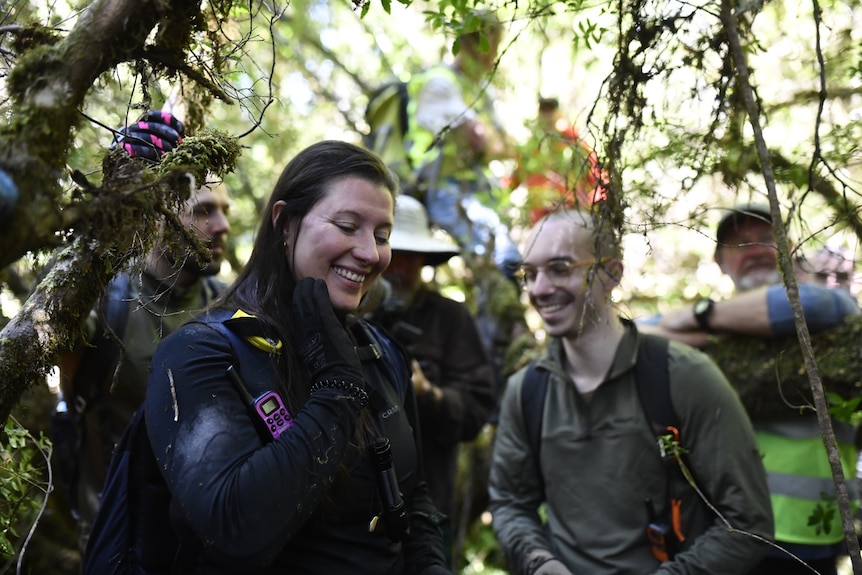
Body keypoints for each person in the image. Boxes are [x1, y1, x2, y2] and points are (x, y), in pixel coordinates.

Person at [129, 140, 451, 573]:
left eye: (381, 236)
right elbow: (233, 529)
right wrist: (337, 389)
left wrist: (431, 566)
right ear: (285, 223)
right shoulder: (200, 353)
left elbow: (412, 490)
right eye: (347, 225)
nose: (371, 254)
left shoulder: (380, 349)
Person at [488, 208, 774, 574]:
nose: (540, 289)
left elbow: (748, 521)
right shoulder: (527, 390)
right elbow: (511, 503)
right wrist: (540, 563)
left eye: (560, 268)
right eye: (530, 274)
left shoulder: (682, 376)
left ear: (610, 273)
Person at [642, 203, 861, 575]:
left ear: (790, 248)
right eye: (740, 244)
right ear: (720, 261)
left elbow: (812, 304)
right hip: (724, 531)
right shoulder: (720, 331)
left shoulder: (830, 310)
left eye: (766, 239)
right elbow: (635, 331)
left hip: (807, 537)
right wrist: (718, 326)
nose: (756, 250)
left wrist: (701, 317)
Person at [54, 110, 231, 553]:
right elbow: (50, 319)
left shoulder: (234, 306)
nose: (223, 226)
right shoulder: (102, 298)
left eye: (225, 211)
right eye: (205, 211)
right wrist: (118, 195)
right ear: (159, 217)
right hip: (118, 534)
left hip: (211, 539)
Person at [373, 193, 496, 555]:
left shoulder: (450, 318)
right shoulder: (350, 313)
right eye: (393, 253)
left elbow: (478, 406)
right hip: (355, 514)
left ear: (424, 259)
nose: (398, 267)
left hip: (429, 501)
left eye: (410, 257)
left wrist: (429, 394)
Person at [403, 12, 520, 275]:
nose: (493, 57)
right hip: (444, 190)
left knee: (505, 261)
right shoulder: (439, 83)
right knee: (499, 260)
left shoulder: (481, 91)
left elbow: (506, 147)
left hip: (477, 193)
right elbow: (481, 141)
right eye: (493, 45)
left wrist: (490, 140)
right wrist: (488, 140)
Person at [506, 96, 604, 225]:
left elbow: (596, 178)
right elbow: (514, 180)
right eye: (544, 112)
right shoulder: (531, 149)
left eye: (551, 111)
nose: (548, 116)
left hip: (572, 215)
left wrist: (592, 207)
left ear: (559, 113)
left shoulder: (575, 144)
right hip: (541, 220)